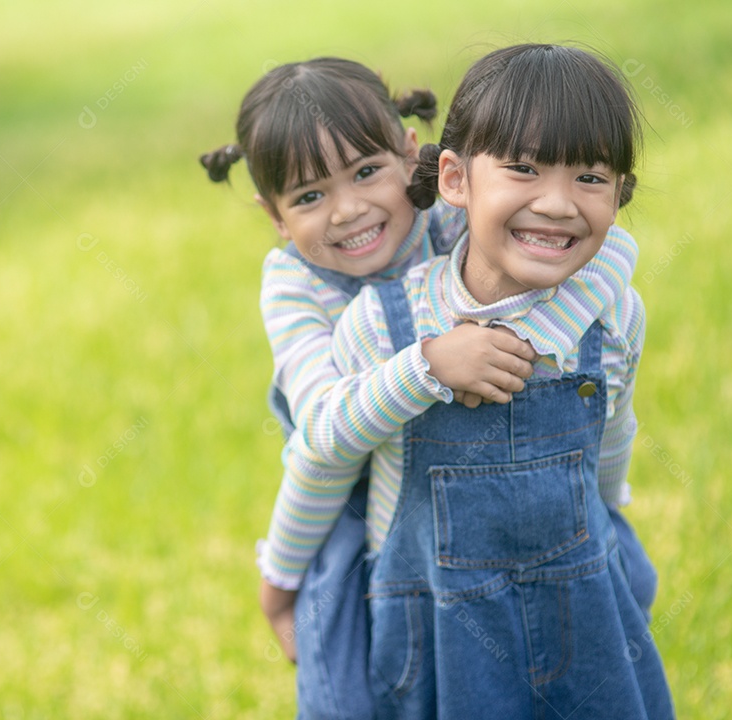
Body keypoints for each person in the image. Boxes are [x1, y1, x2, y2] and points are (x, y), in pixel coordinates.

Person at [203, 56, 644, 719]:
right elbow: (322, 443)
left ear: (413, 156)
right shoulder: (295, 286)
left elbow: (605, 252)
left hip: (513, 501)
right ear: (273, 214)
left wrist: (536, 337)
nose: (350, 211)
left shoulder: (449, 213)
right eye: (309, 196)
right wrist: (432, 365)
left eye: (366, 172)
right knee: (348, 670)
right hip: (355, 499)